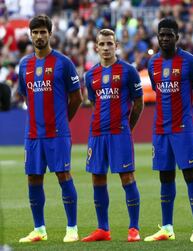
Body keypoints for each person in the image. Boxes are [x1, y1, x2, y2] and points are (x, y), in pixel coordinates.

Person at [17, 15, 82, 243]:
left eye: (43, 32)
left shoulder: (63, 63)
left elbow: (77, 98)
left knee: (63, 176)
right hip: (33, 134)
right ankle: (39, 229)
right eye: (35, 32)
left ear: (50, 34)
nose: (39, 36)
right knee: (33, 179)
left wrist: (63, 120)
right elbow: (25, 93)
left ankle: (72, 228)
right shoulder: (24, 64)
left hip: (57, 133)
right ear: (30, 35)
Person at [144, 17, 193, 242]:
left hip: (183, 128)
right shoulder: (153, 64)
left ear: (177, 37)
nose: (165, 38)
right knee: (165, 176)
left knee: (190, 174)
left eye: (169, 35)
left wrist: (191, 120)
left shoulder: (190, 62)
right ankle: (167, 228)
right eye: (161, 35)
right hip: (161, 129)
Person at [81, 29, 144, 242]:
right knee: (97, 177)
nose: (106, 48)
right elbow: (93, 102)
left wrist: (128, 127)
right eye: (102, 44)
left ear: (116, 46)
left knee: (127, 177)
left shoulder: (128, 71)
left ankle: (134, 229)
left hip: (120, 134)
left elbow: (138, 103)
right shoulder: (90, 76)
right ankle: (103, 229)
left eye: (110, 43)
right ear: (96, 47)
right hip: (97, 134)